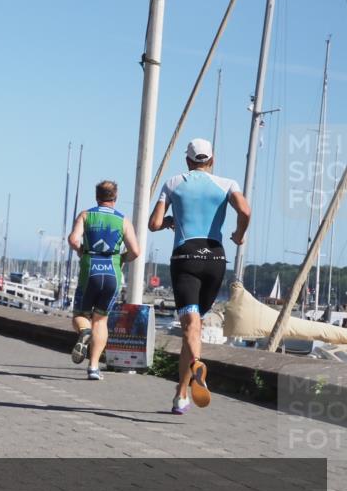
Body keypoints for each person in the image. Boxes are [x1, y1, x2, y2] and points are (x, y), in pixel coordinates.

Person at [149, 138, 250, 414]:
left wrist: (170, 221)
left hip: (186, 258)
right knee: (194, 327)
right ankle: (181, 394)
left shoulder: (173, 182)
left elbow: (154, 223)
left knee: (190, 325)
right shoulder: (227, 184)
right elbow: (245, 210)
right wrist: (239, 235)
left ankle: (195, 366)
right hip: (215, 260)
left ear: (188, 161)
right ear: (212, 160)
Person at [67, 180, 140, 380]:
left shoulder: (86, 215)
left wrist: (82, 252)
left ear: (97, 197)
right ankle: (93, 367)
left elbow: (73, 239)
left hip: (90, 269)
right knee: (101, 319)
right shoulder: (123, 220)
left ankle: (84, 331)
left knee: (80, 315)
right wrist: (121, 259)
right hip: (112, 272)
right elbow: (136, 251)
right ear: (115, 198)